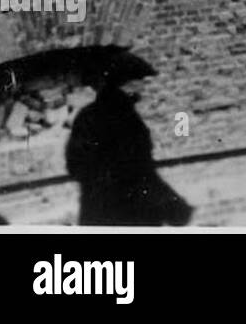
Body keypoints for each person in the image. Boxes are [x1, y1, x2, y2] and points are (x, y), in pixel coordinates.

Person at [65, 51, 193, 226]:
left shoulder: (87, 115)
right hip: (131, 213)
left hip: (98, 212)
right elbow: (140, 171)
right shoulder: (125, 118)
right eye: (140, 81)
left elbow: (74, 166)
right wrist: (173, 205)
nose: (144, 87)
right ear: (125, 85)